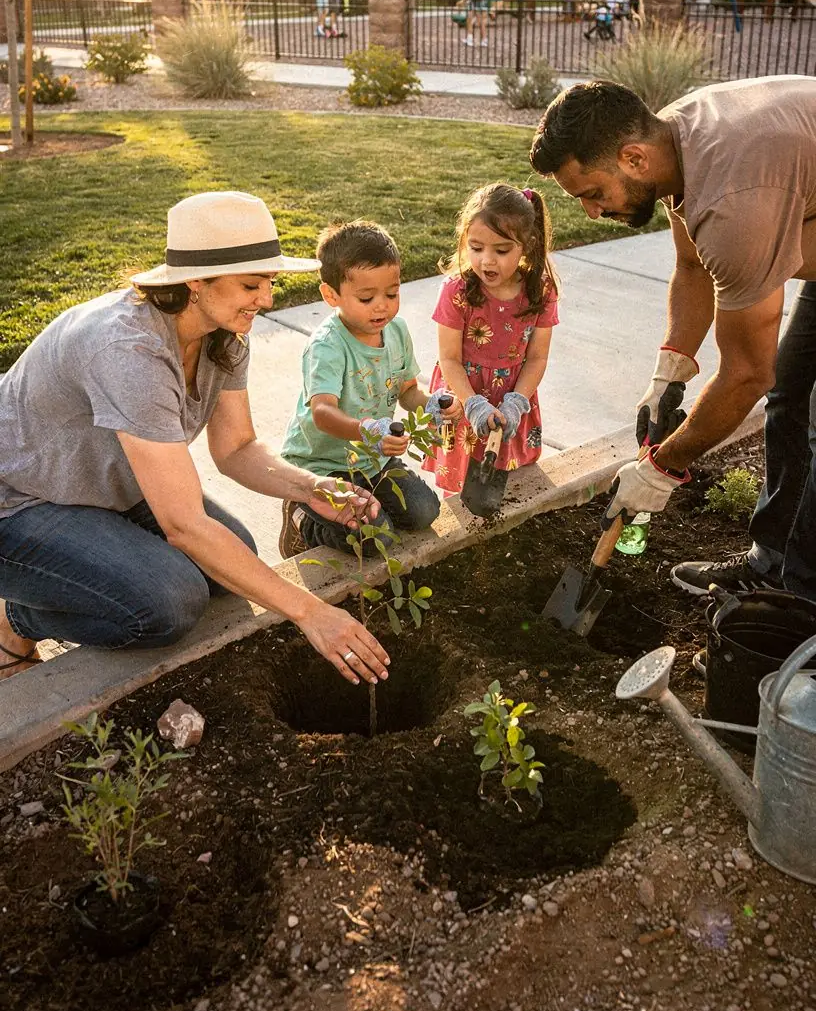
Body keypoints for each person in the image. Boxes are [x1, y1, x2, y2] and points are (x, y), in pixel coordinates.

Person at [0, 192, 392, 688]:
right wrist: (311, 612)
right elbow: (183, 525)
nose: (268, 300)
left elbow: (236, 449)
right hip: (19, 501)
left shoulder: (224, 333)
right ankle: (15, 621)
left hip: (102, 486)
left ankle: (83, 565)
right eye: (251, 284)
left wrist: (312, 488)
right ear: (195, 282)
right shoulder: (128, 349)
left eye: (269, 283)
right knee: (169, 603)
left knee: (232, 561)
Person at [529, 76, 816, 602]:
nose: (591, 212)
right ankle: (771, 562)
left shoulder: (735, 204)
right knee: (791, 401)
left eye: (593, 193)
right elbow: (691, 266)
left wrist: (663, 468)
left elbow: (747, 373)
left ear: (634, 158)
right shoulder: (675, 140)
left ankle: (797, 608)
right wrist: (671, 368)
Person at [279, 221, 456, 556]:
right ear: (331, 295)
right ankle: (301, 514)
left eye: (392, 294)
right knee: (376, 539)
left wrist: (434, 405)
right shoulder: (328, 346)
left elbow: (407, 393)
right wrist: (368, 430)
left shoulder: (397, 331)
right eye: (366, 297)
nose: (381, 306)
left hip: (372, 460)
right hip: (322, 464)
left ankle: (365, 501)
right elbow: (322, 413)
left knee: (424, 512)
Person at [424, 183, 559, 495]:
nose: (487, 261)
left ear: (527, 244)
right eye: (476, 247)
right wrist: (472, 404)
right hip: (464, 397)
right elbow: (449, 359)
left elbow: (537, 357)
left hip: (513, 393)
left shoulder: (541, 290)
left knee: (513, 483)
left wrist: (516, 402)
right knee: (462, 484)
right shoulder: (456, 291)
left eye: (501, 250)